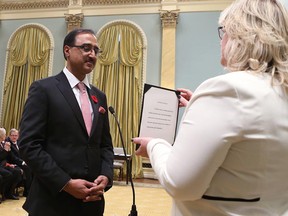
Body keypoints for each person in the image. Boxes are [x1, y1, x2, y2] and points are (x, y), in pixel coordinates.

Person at [132, 0, 288, 215]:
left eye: (223, 31)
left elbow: (180, 185)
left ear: (239, 36)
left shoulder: (227, 89)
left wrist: (154, 144)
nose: (221, 40)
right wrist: (199, 106)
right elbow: (252, 137)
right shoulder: (280, 91)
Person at [18, 28, 114, 216]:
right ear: (67, 51)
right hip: (52, 202)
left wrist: (106, 176)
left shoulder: (99, 97)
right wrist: (66, 184)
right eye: (86, 48)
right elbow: (29, 145)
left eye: (96, 50)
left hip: (91, 203)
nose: (92, 54)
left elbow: (105, 146)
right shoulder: (44, 89)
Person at [6, 128, 32, 197]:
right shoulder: (8, 143)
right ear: (9, 136)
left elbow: (24, 152)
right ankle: (27, 192)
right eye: (13, 135)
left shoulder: (19, 142)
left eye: (16, 135)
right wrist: (23, 162)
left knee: (32, 167)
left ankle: (30, 190)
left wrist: (27, 160)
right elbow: (13, 157)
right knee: (27, 168)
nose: (14, 137)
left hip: (20, 161)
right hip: (12, 162)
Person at [0, 127, 22, 201]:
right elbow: (1, 157)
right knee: (8, 174)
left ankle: (9, 192)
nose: (5, 136)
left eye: (16, 135)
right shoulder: (5, 143)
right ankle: (3, 193)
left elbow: (6, 157)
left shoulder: (3, 143)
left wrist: (9, 164)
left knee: (17, 171)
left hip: (4, 164)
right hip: (1, 166)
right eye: (5, 134)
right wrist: (6, 150)